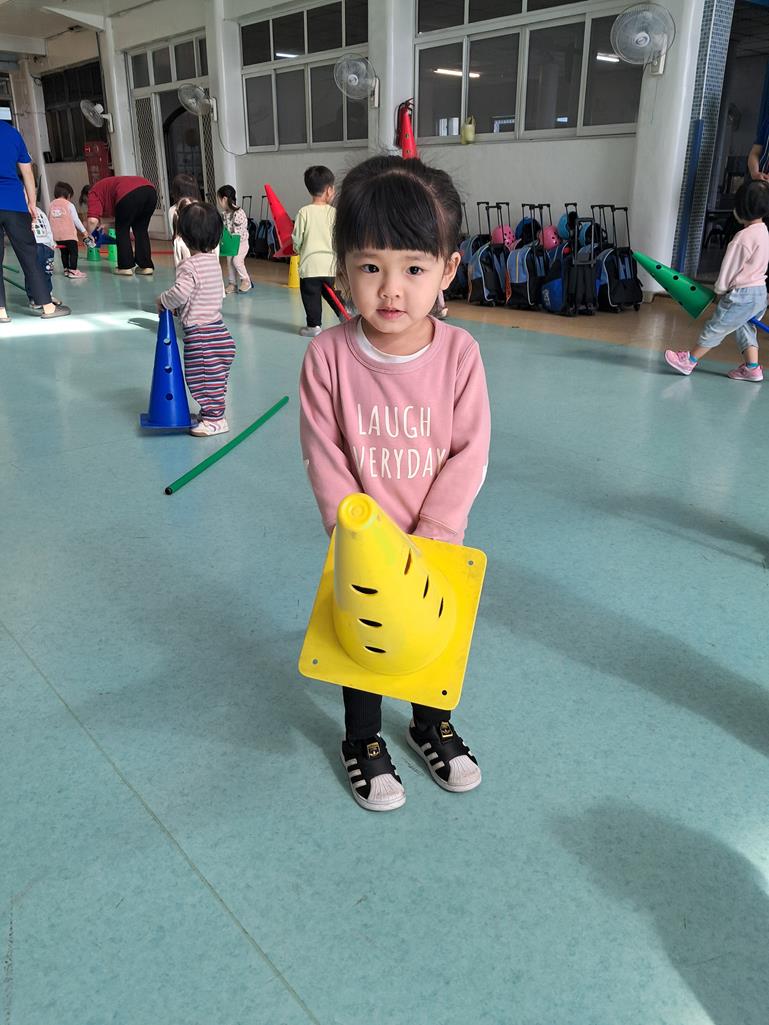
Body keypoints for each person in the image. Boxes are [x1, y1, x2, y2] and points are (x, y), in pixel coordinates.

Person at [299, 155, 491, 812]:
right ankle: (362, 738)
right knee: (362, 638)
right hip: (363, 547)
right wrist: (353, 532)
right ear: (343, 267)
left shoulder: (459, 354)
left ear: (447, 269)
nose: (390, 289)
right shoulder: (327, 356)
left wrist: (434, 532)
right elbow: (322, 450)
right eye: (370, 266)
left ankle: (431, 724)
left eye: (413, 268)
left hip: (437, 542)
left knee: (432, 635)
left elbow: (470, 449)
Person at [665, 179, 769, 381]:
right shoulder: (764, 232)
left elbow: (729, 268)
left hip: (743, 294)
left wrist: (719, 291)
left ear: (741, 209)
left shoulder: (743, 238)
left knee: (716, 326)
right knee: (745, 327)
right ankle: (752, 368)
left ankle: (689, 360)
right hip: (759, 292)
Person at [157, 201, 236, 437]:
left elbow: (180, 293)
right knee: (214, 379)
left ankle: (215, 420)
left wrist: (163, 300)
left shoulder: (188, 266)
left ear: (182, 235)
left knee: (201, 378)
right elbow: (200, 294)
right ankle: (211, 412)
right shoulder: (213, 263)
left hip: (202, 336)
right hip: (218, 330)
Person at [0, 119, 70, 322]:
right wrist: (32, 202)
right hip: (14, 204)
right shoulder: (12, 133)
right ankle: (47, 306)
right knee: (30, 256)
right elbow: (27, 172)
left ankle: (1, 312)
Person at [292, 165, 345, 337]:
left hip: (310, 265)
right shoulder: (334, 213)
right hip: (329, 264)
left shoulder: (304, 212)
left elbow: (297, 238)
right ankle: (344, 313)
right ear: (329, 190)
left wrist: (296, 248)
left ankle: (314, 326)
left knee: (311, 295)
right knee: (329, 292)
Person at [85, 174, 157, 275]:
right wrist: (106, 225)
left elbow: (92, 221)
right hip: (150, 191)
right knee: (141, 230)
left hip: (129, 193)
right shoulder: (107, 187)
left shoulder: (93, 192)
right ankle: (146, 266)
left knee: (122, 231)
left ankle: (125, 267)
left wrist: (88, 235)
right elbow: (124, 220)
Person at [216, 185, 251, 294]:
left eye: (219, 200)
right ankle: (232, 284)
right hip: (231, 243)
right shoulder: (225, 214)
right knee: (229, 262)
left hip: (241, 243)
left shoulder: (238, 213)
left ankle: (246, 280)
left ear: (224, 199)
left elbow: (237, 233)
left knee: (237, 261)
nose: (219, 203)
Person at [25, 208, 62, 310]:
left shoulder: (40, 211)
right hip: (33, 245)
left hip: (46, 246)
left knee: (47, 272)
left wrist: (51, 243)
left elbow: (47, 227)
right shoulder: (22, 210)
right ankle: (34, 298)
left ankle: (48, 295)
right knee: (33, 272)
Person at [49, 181, 87, 278]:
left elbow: (48, 219)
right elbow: (76, 220)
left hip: (57, 235)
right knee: (73, 252)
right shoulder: (69, 204)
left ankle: (66, 269)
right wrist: (84, 231)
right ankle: (73, 270)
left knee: (64, 252)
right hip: (69, 234)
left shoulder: (51, 205)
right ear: (68, 194)